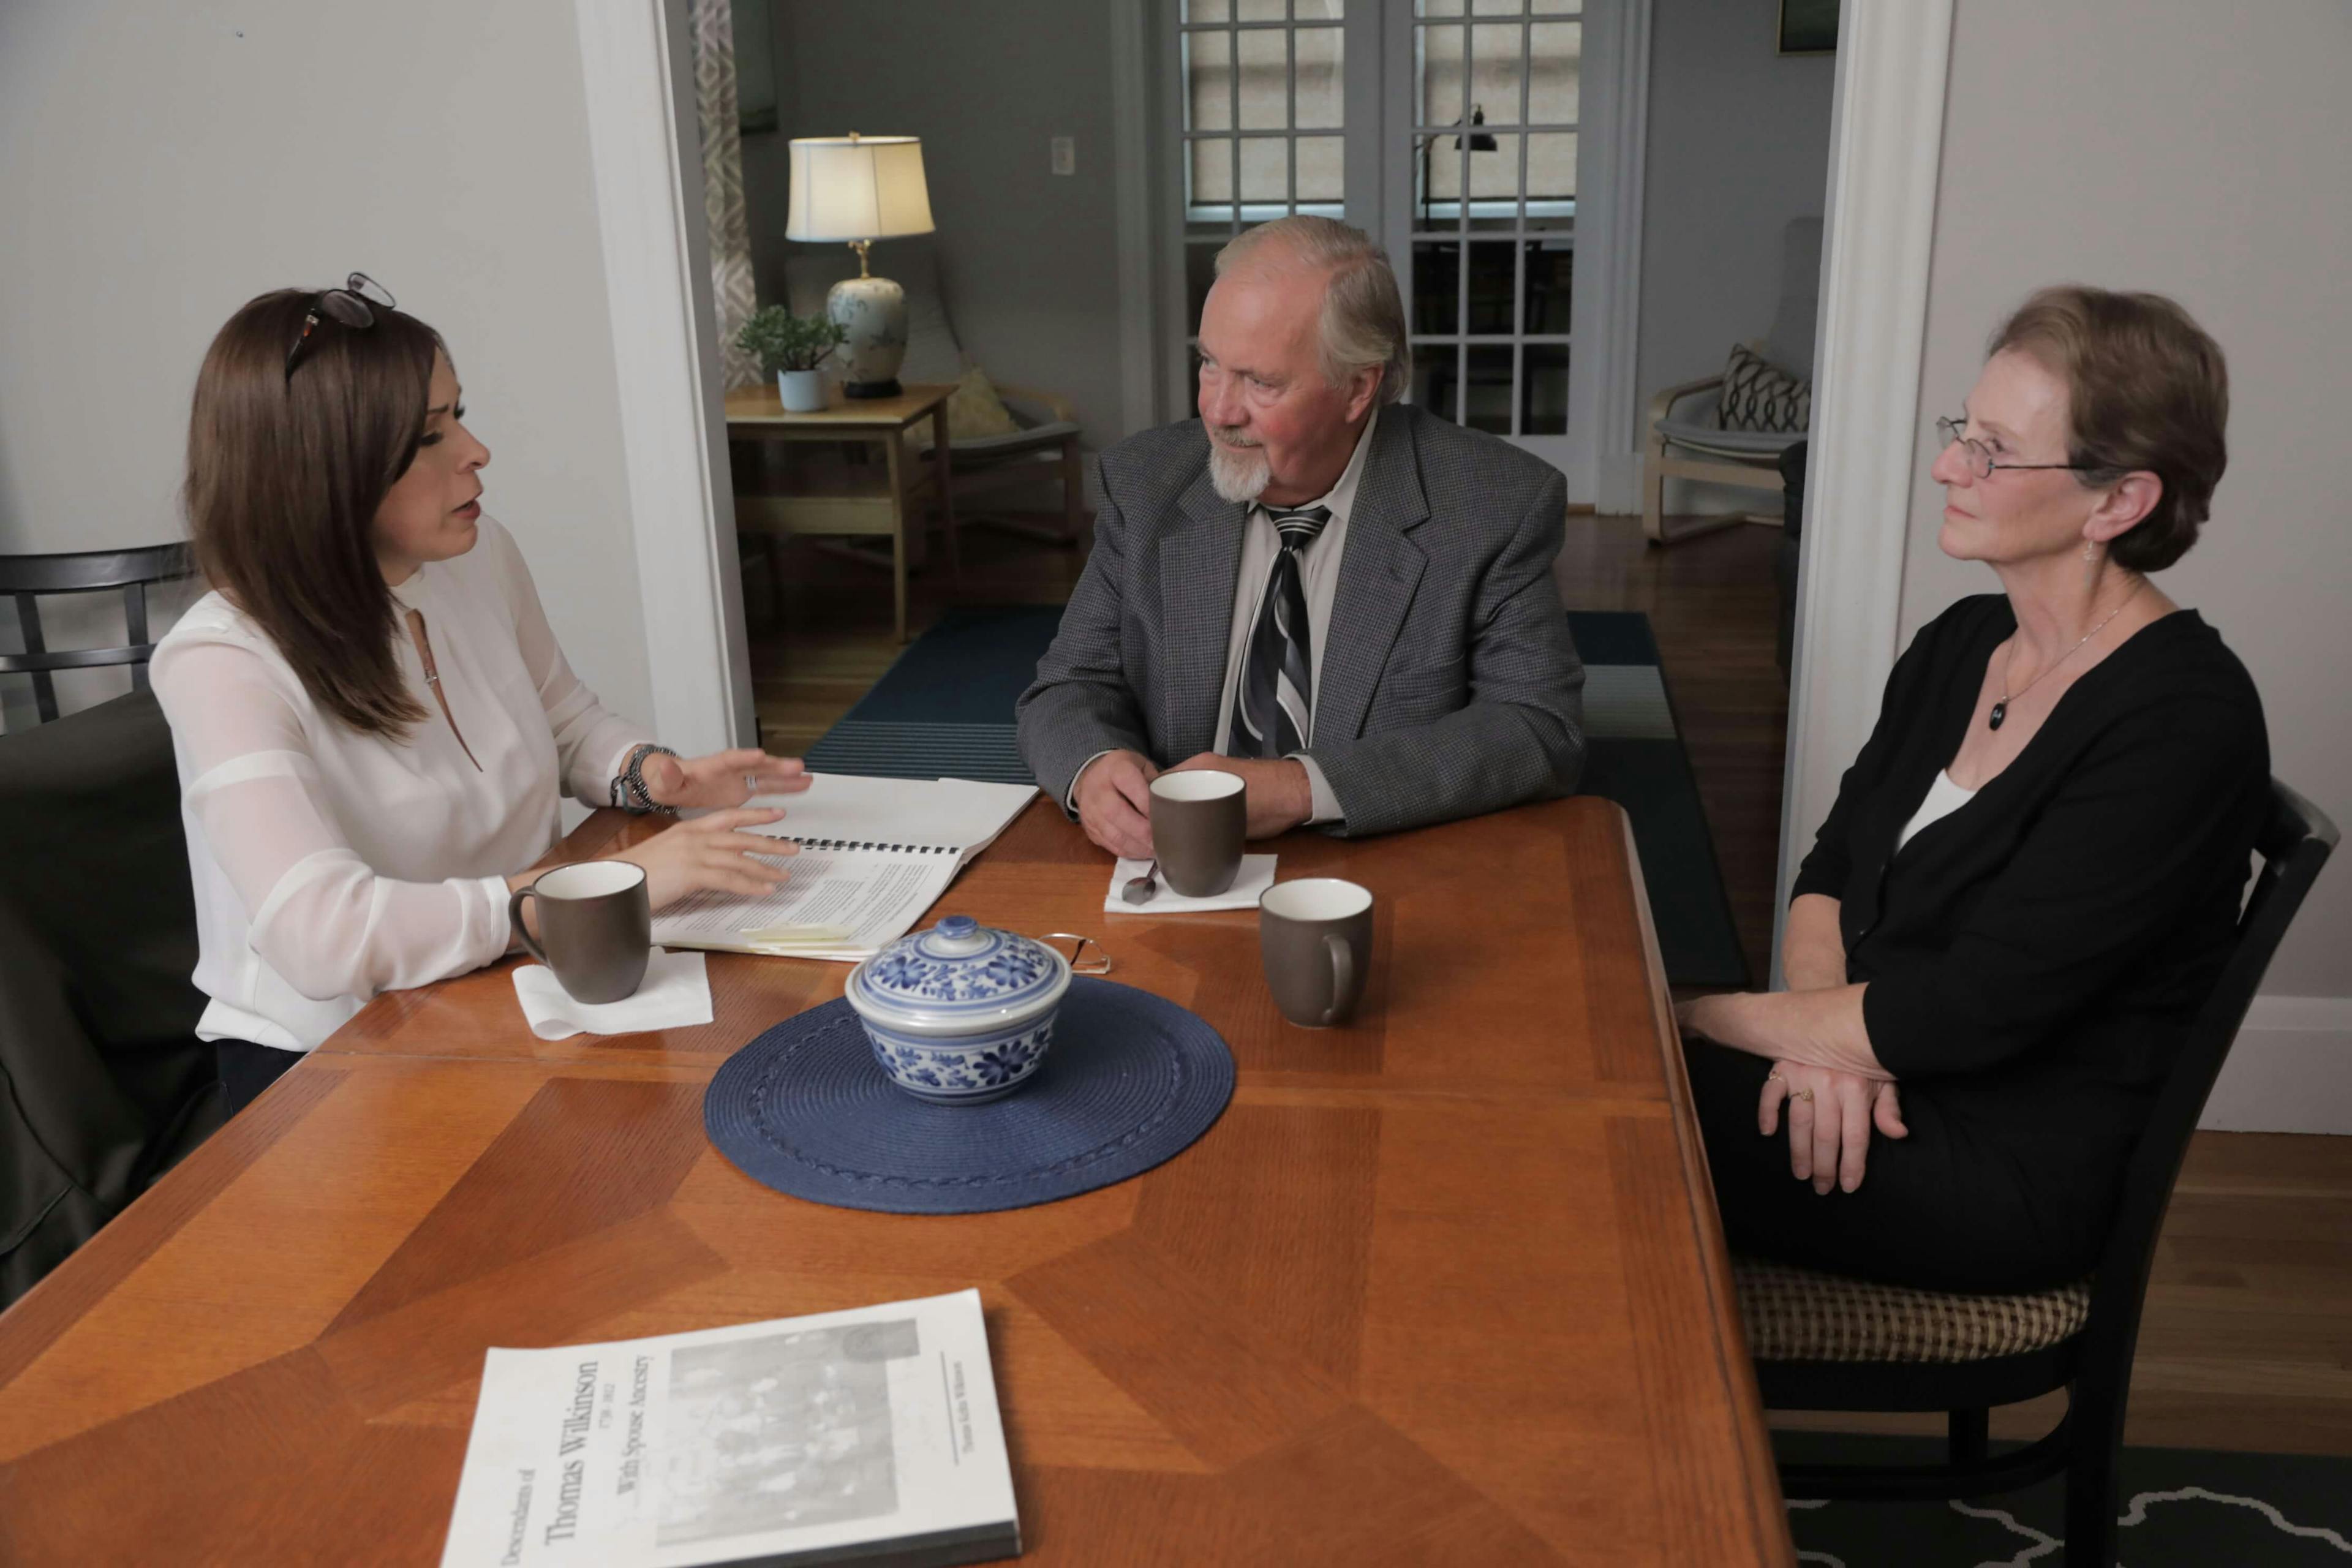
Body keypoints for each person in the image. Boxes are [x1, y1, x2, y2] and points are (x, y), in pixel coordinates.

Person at [1678, 286, 2269, 1293]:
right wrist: (1825, 1041)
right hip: (1879, 1083)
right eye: (1963, 431)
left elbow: (1961, 1016)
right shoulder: (1961, 644)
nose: (1950, 464)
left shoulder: (2183, 723)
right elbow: (1830, 871)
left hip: (1997, 1168)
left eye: (1993, 449)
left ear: (2117, 502)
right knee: (1581, 1092)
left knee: (1604, 1083)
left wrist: (1688, 1018)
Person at [153, 277, 810, 1112]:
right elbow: (319, 936)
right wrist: (590, 892)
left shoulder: (476, 553)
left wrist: (649, 773)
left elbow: (565, 720)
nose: (475, 450)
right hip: (330, 1068)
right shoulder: (223, 660)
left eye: (459, 412)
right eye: (430, 436)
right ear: (324, 471)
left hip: (498, 985)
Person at [1015, 216, 1584, 854]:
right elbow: (1069, 684)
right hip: (1171, 872)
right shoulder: (1146, 483)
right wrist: (1093, 769)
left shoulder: (1493, 506)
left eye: (1260, 382)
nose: (1219, 411)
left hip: (1385, 865)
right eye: (1209, 365)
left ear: (1358, 387)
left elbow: (1540, 729)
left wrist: (1295, 789)